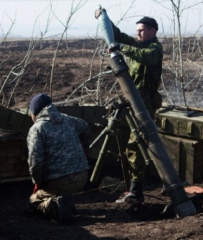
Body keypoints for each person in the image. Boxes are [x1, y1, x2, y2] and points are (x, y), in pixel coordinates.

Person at [95, 9, 163, 203]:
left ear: (152, 31)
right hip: (132, 100)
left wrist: (120, 49)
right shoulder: (139, 43)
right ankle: (133, 189)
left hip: (145, 104)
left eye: (141, 30)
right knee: (130, 146)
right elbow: (118, 35)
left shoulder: (154, 49)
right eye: (137, 31)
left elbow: (143, 56)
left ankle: (136, 192)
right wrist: (104, 17)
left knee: (136, 145)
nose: (138, 34)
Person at [27, 93, 93, 225]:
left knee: (34, 200)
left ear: (35, 111)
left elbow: (36, 163)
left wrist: (38, 182)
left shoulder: (38, 128)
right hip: (82, 176)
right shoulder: (68, 119)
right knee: (59, 189)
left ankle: (56, 207)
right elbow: (85, 126)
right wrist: (85, 150)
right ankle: (65, 202)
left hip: (60, 181)